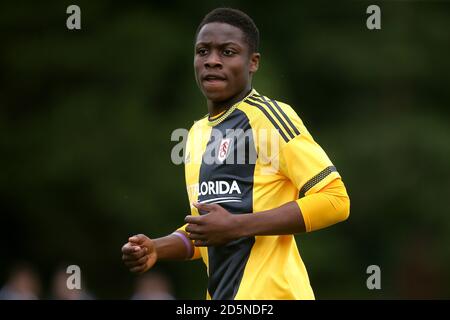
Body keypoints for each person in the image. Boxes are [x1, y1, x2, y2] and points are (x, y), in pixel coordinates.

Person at [122, 7, 350, 300]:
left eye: (227, 52)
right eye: (203, 51)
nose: (212, 61)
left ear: (252, 62)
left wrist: (237, 226)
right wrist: (158, 247)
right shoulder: (195, 136)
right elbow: (210, 230)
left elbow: (335, 199)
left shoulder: (269, 117)